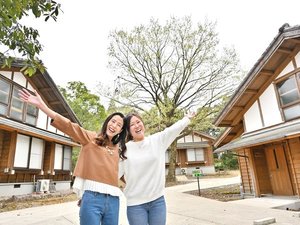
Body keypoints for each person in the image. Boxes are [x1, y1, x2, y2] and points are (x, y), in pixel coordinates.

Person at [19, 89, 127, 225]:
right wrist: (43, 107)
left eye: (119, 125)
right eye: (113, 121)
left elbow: (126, 174)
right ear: (107, 122)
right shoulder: (91, 138)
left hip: (113, 201)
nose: (114, 126)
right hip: (92, 199)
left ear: (121, 131)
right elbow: (69, 126)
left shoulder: (120, 150)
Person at [119, 111, 195, 225]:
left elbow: (171, 130)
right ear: (128, 130)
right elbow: (112, 175)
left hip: (157, 201)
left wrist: (186, 119)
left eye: (138, 122)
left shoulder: (156, 140)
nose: (137, 125)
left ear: (143, 123)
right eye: (132, 124)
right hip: (135, 204)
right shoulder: (124, 150)